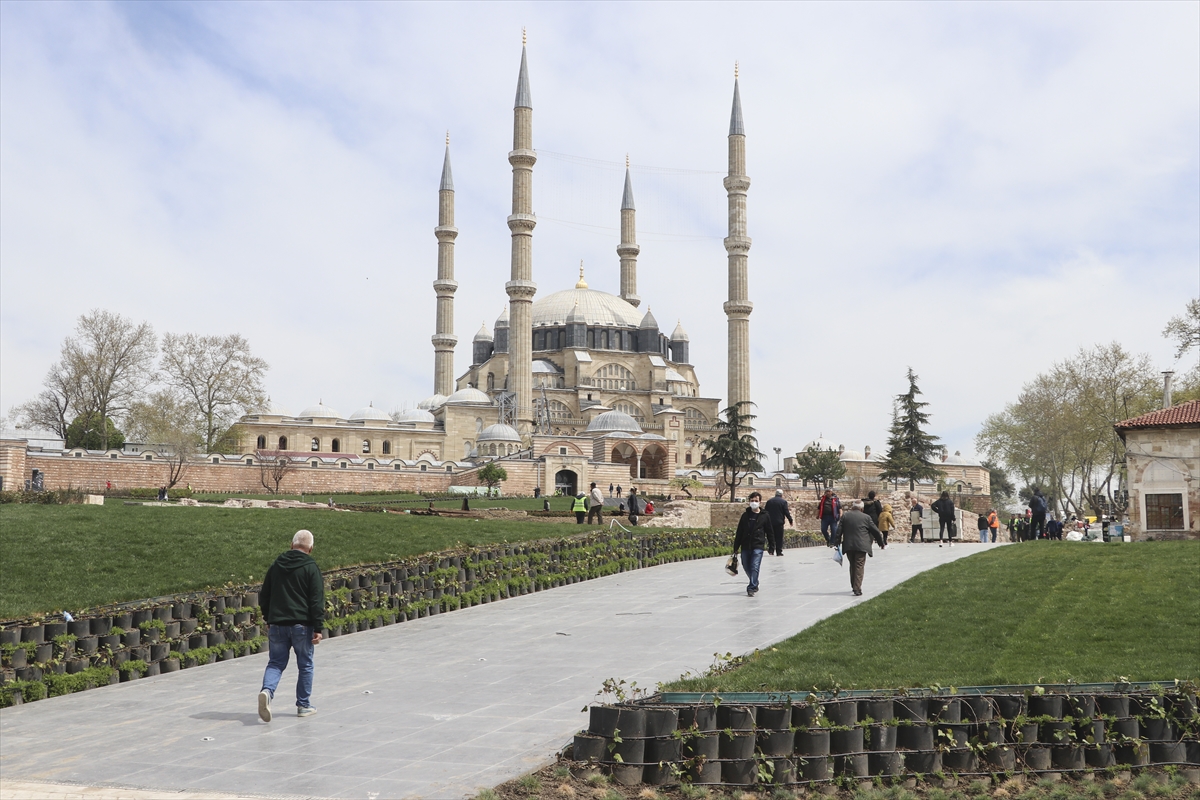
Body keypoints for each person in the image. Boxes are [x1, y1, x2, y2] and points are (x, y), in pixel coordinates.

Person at [258, 530, 325, 722]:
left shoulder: (276, 565)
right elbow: (316, 600)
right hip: (302, 625)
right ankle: (303, 705)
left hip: (277, 624)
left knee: (276, 663)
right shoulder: (311, 567)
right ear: (310, 548)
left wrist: (268, 618)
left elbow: (265, 595)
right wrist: (318, 628)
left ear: (291, 544)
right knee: (305, 665)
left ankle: (267, 692)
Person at [831, 499, 886, 596]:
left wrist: (837, 543)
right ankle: (857, 588)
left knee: (852, 565)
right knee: (859, 566)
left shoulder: (845, 516)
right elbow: (876, 531)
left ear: (853, 507)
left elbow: (839, 531)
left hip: (848, 545)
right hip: (862, 545)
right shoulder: (866, 517)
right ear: (862, 508)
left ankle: (854, 586)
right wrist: (881, 543)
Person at [732, 491, 771, 597]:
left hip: (758, 545)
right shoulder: (745, 516)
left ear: (760, 502)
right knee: (746, 565)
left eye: (756, 501)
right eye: (752, 500)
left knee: (754, 566)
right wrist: (736, 547)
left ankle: (751, 587)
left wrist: (772, 546)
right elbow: (739, 532)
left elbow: (769, 531)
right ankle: (755, 581)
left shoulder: (765, 516)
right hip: (745, 545)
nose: (754, 502)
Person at [764, 489, 793, 556]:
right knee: (779, 537)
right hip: (779, 522)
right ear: (781, 495)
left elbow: (765, 512)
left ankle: (771, 550)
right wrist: (790, 520)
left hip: (770, 522)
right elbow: (786, 512)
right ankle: (778, 551)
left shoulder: (769, 501)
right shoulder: (783, 502)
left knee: (771, 536)